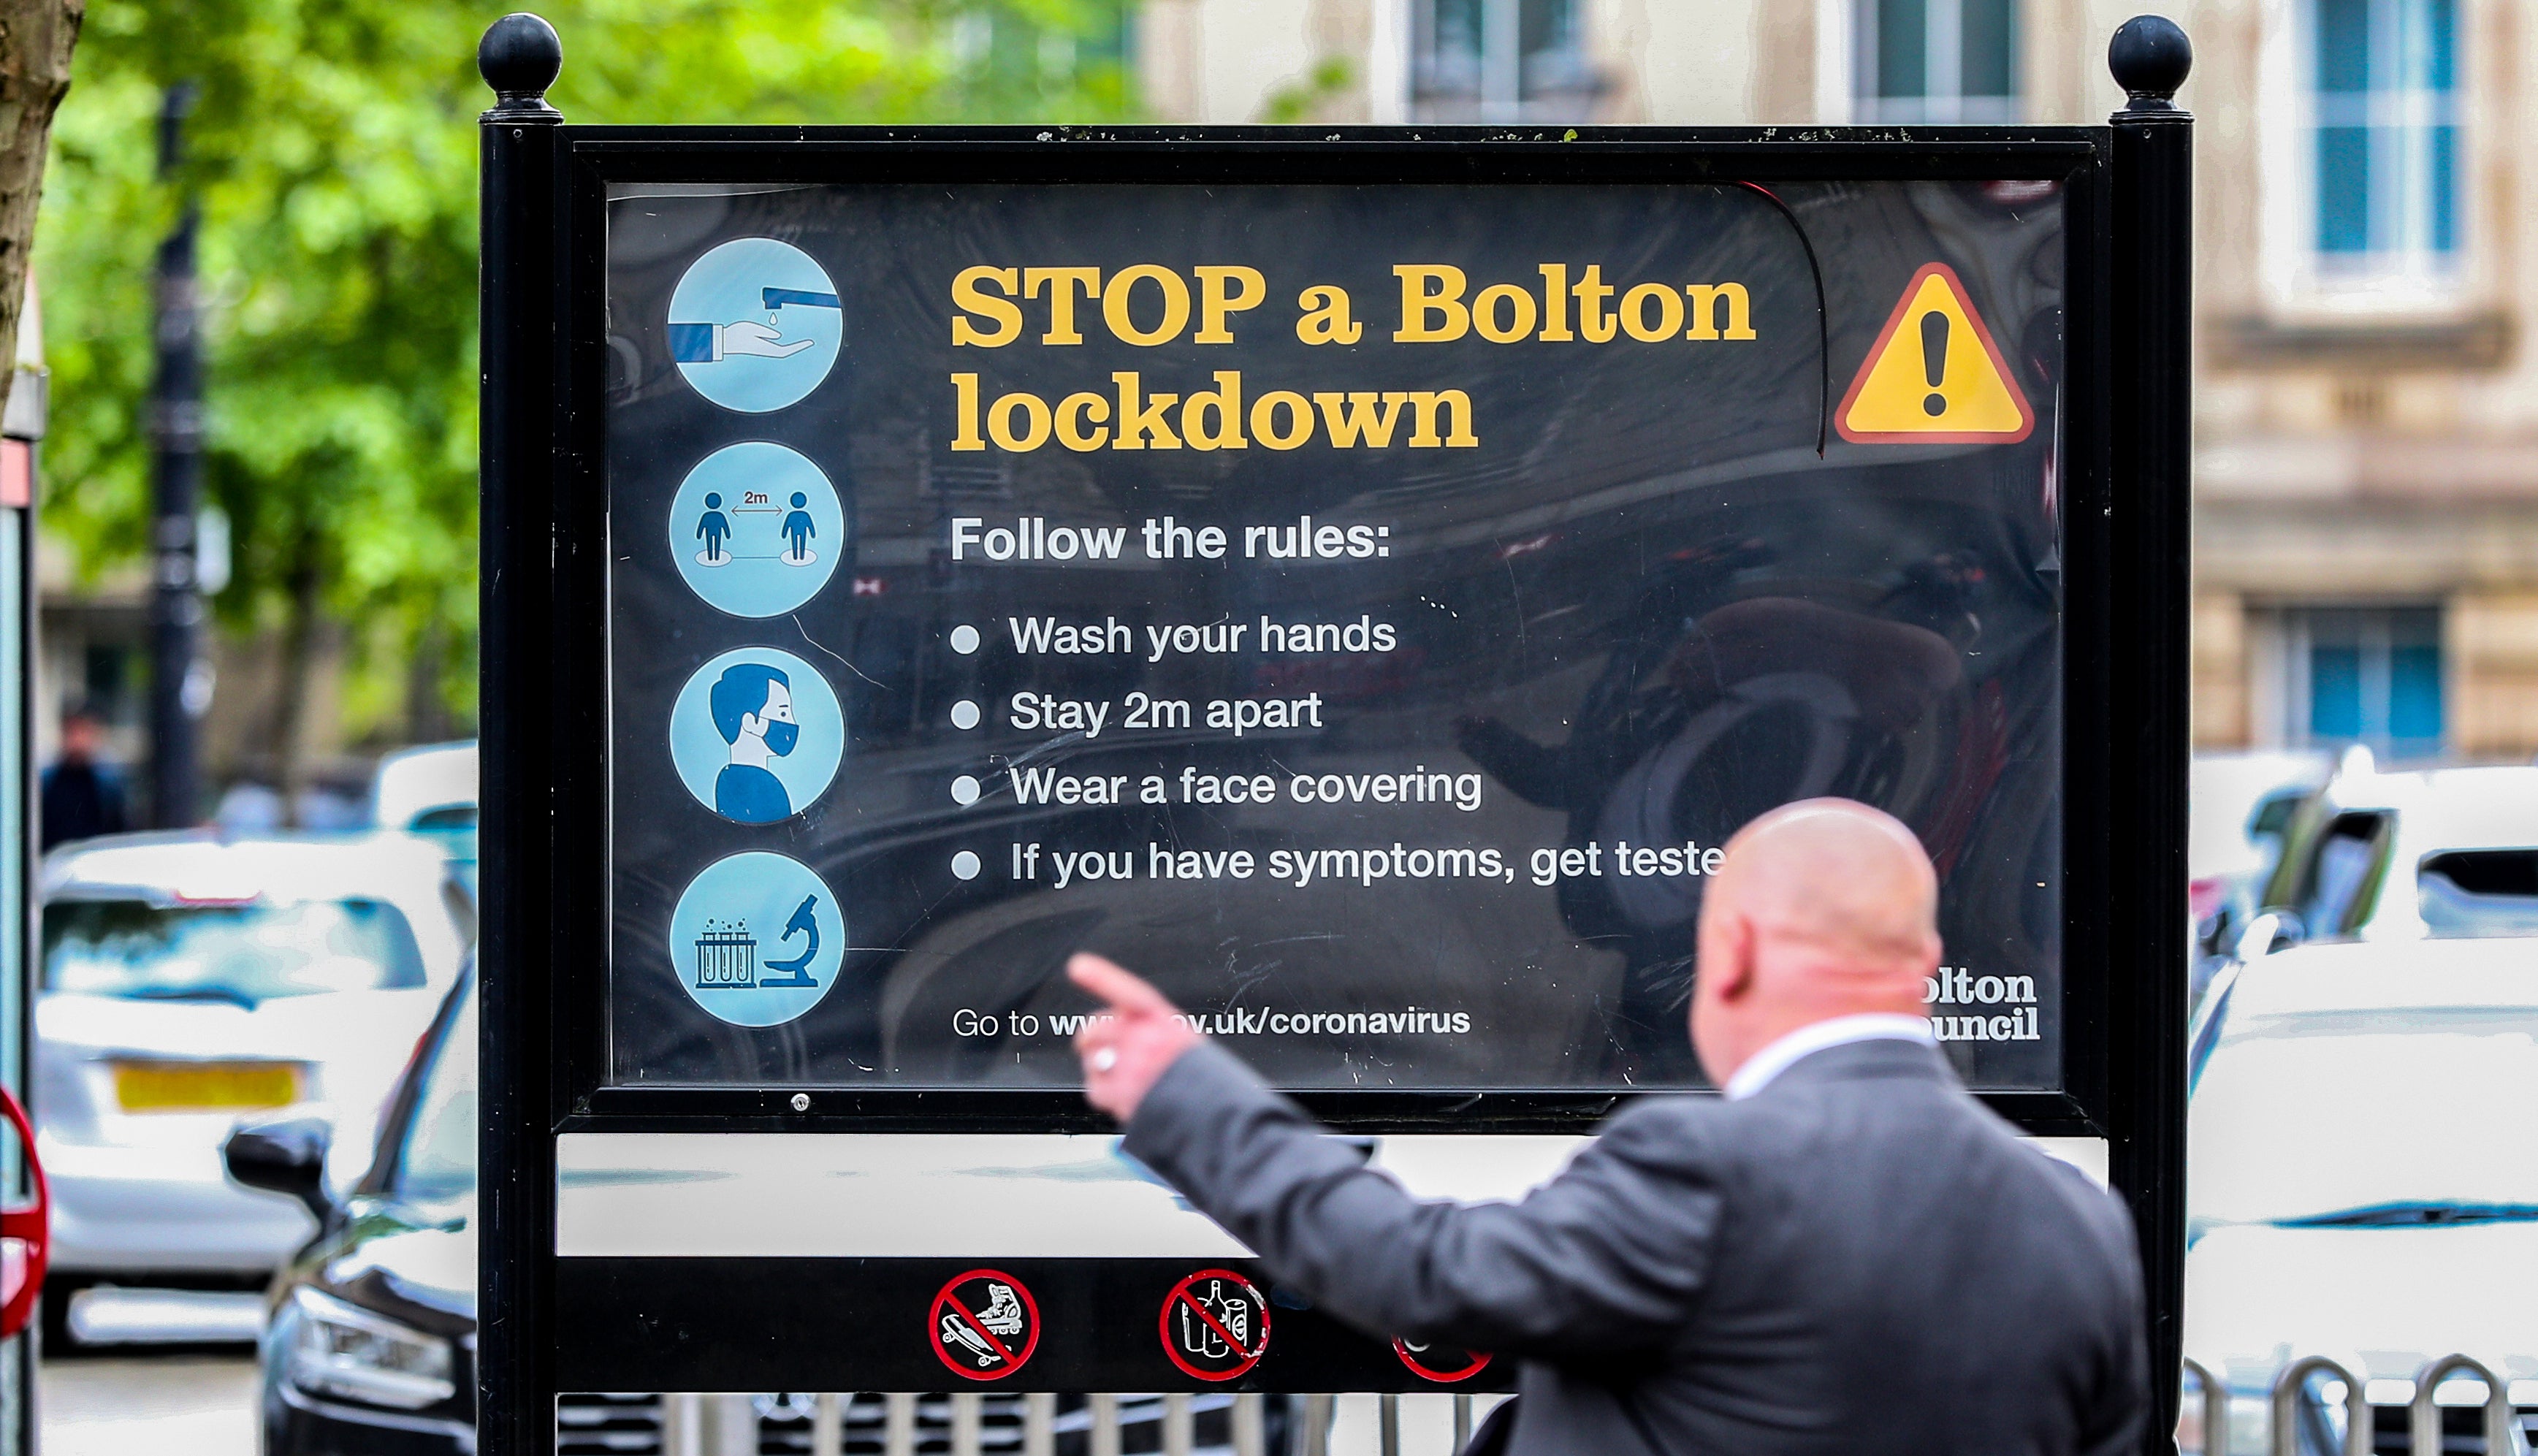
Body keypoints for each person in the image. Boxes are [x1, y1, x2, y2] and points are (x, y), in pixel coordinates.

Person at [1071, 798, 2146, 1456]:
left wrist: (1188, 1095)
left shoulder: (1706, 1171)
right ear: (1925, 971)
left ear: (1725, 958)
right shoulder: (2076, 1224)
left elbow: (1418, 1274)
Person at [708, 663, 798, 823]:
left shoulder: (727, 777)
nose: (792, 723)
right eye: (783, 713)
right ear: (751, 722)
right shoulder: (764, 786)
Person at [41, 706, 129, 852]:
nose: (77, 740)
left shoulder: (108, 784)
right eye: (72, 732)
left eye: (82, 732)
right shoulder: (48, 782)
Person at [697, 493, 731, 563]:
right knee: (717, 542)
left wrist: (699, 535)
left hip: (709, 532)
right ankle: (717, 557)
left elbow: (701, 526)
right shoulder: (720, 515)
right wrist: (728, 535)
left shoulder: (706, 515)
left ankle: (710, 557)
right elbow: (725, 526)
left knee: (709, 542)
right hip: (717, 531)